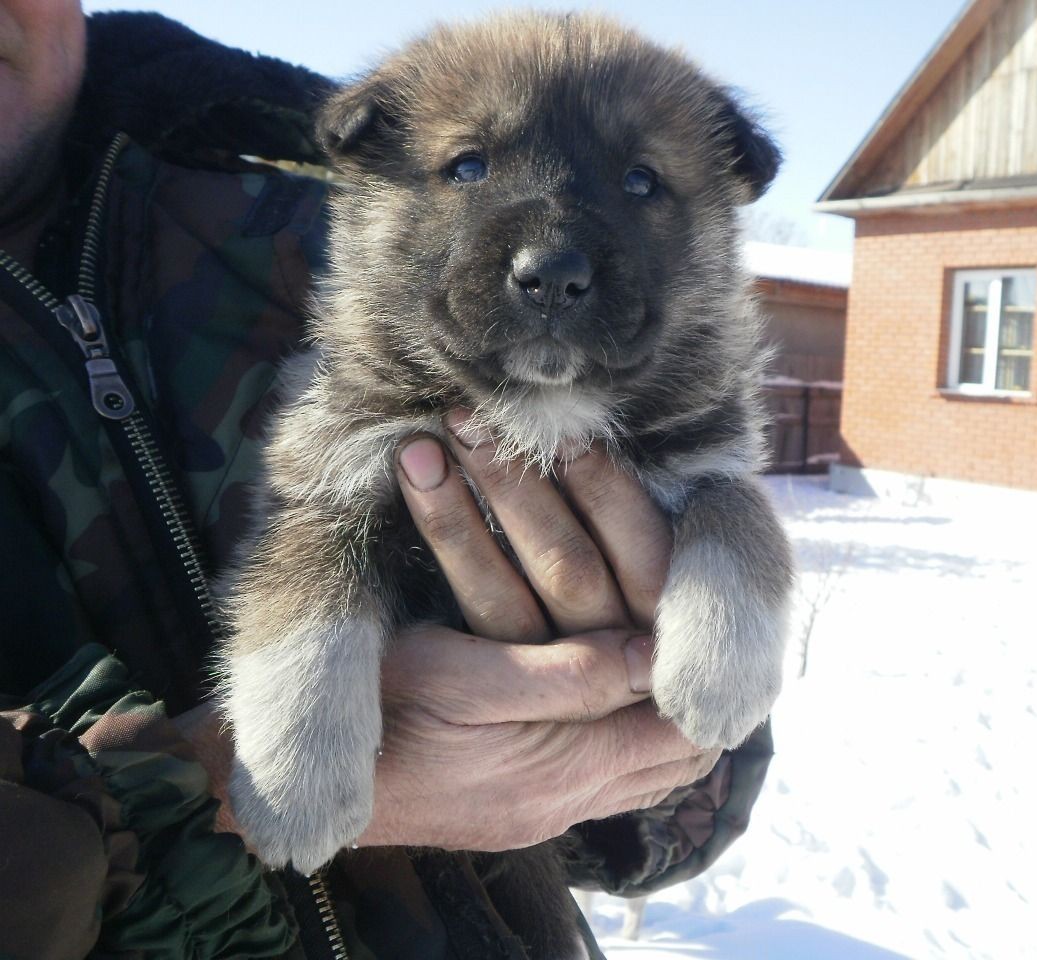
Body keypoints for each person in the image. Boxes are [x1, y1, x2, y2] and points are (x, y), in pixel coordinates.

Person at [0, 3, 773, 957]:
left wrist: (659, 749)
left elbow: (706, 751)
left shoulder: (266, 205)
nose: (552, 254)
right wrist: (208, 782)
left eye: (642, 179)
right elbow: (323, 523)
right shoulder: (377, 355)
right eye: (469, 168)